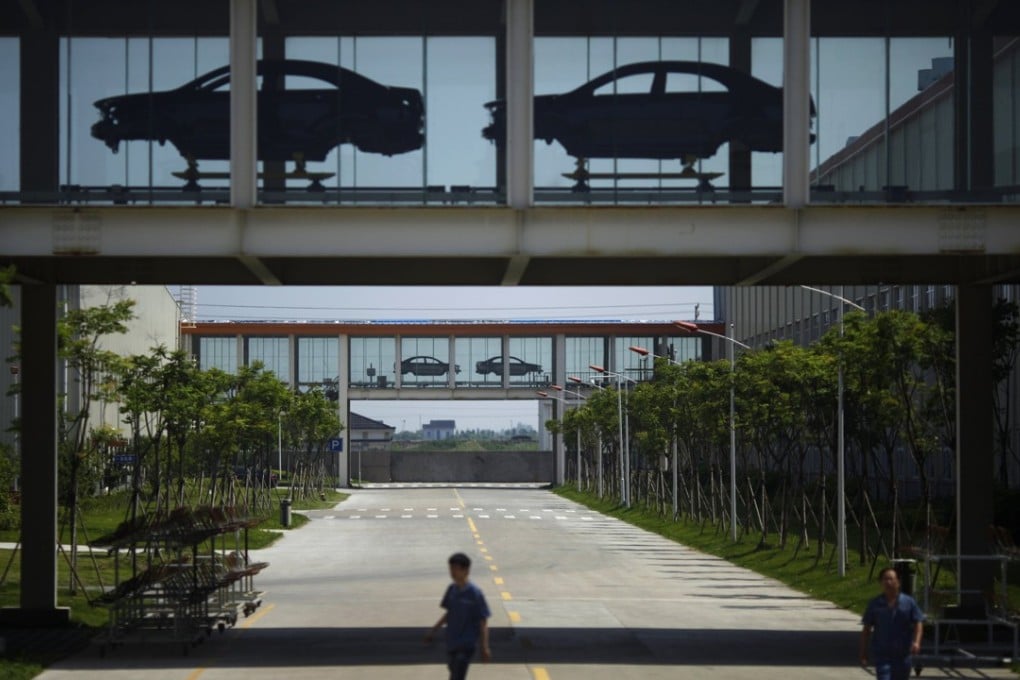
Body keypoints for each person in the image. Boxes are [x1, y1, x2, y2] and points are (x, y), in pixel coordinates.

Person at [425, 552, 491, 680]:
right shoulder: (452, 590)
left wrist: (484, 647)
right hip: (452, 642)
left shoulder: (475, 594)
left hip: (466, 644)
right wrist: (433, 631)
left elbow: (483, 621)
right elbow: (448, 614)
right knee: (453, 671)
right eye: (451, 569)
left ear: (466, 570)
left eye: (456, 569)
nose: (452, 572)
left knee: (457, 675)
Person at [860, 566, 925, 680]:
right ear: (880, 583)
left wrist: (917, 642)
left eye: (891, 579)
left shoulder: (908, 602)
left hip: (903, 656)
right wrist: (864, 651)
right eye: (885, 579)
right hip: (883, 656)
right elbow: (866, 629)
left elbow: (918, 622)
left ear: (898, 582)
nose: (888, 582)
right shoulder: (875, 604)